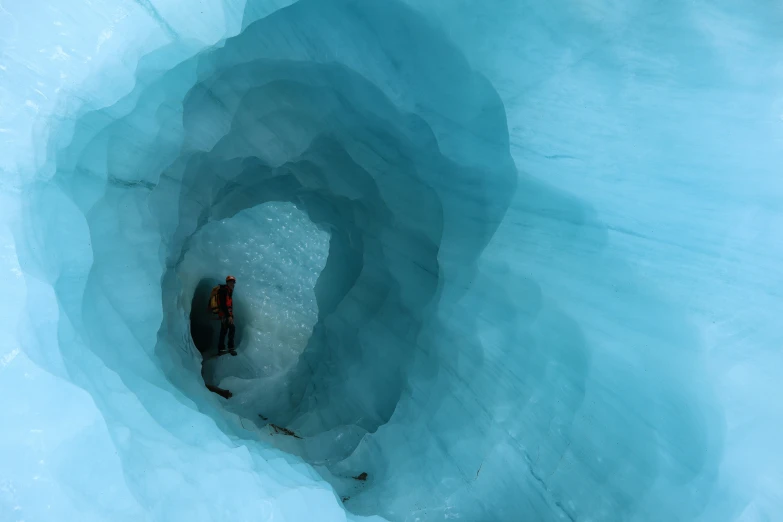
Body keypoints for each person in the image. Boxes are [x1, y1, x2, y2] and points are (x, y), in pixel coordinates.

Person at [217, 275, 237, 356]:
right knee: (231, 328)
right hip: (224, 315)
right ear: (227, 282)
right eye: (231, 282)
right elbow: (223, 304)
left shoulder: (229, 291)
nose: (232, 284)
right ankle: (230, 348)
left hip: (227, 314)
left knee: (224, 331)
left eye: (233, 282)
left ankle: (221, 349)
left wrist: (231, 315)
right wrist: (228, 315)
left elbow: (229, 305)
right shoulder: (223, 291)